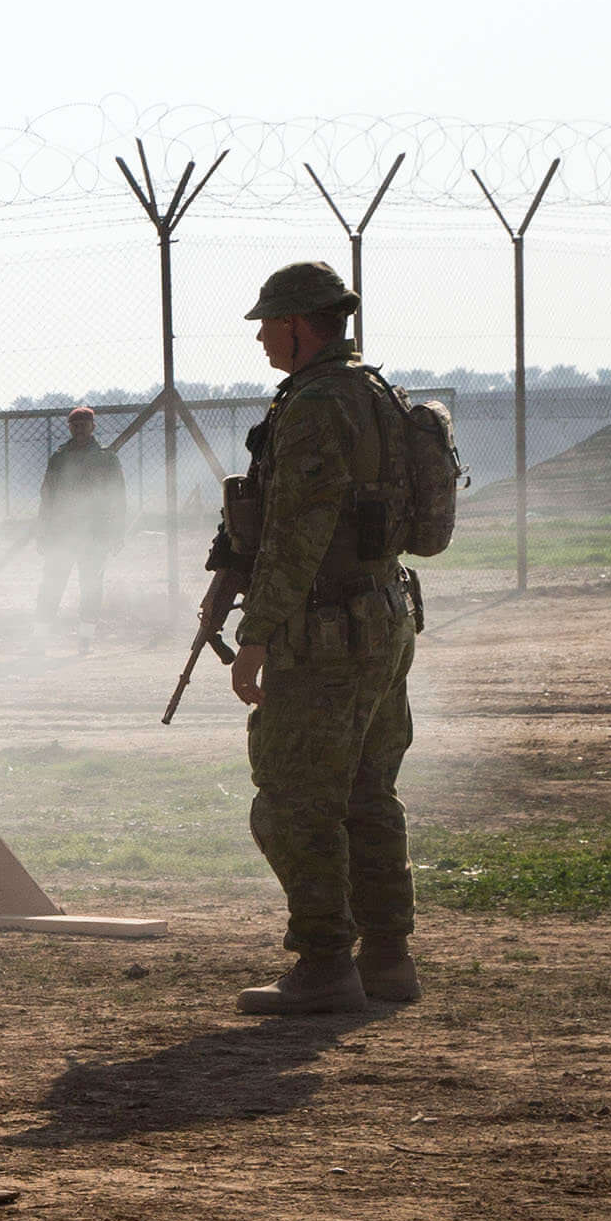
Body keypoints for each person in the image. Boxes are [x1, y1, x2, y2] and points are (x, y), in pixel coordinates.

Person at [208, 259, 419, 1016]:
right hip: (385, 616)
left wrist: (255, 635)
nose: (261, 336)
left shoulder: (317, 404)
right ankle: (388, 957)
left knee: (294, 800)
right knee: (368, 791)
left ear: (299, 325)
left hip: (326, 632)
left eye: (268, 323)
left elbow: (300, 529)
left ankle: (326, 962)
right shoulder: (376, 394)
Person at [31, 406, 124, 646]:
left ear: (93, 426)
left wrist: (116, 532)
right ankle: (40, 636)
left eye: (84, 424)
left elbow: (117, 497)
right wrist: (43, 531)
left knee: (91, 585)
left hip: (95, 534)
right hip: (62, 532)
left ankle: (85, 637)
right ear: (69, 428)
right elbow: (47, 496)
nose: (79, 429)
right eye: (75, 425)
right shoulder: (60, 458)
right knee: (52, 582)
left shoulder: (106, 458)